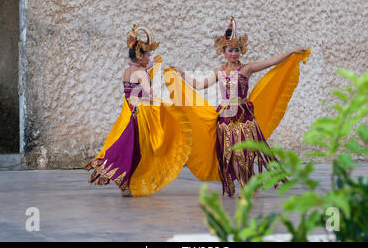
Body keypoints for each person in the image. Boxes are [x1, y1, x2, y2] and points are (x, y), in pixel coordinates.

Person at [168, 17, 310, 197]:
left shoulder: (247, 69)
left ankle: (248, 184)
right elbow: (198, 84)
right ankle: (243, 183)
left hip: (244, 117)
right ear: (223, 50)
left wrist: (291, 52)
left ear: (241, 51)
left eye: (237, 49)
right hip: (225, 120)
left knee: (246, 153)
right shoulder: (219, 72)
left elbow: (271, 62)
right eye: (230, 50)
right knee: (231, 154)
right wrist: (181, 74)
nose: (234, 53)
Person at [85, 25, 191, 196]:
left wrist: (151, 67)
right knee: (144, 149)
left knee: (129, 147)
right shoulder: (141, 73)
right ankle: (126, 180)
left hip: (128, 112)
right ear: (140, 55)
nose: (149, 57)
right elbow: (148, 93)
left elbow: (135, 84)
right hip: (141, 115)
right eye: (147, 54)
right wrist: (163, 100)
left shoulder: (128, 71)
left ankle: (125, 184)